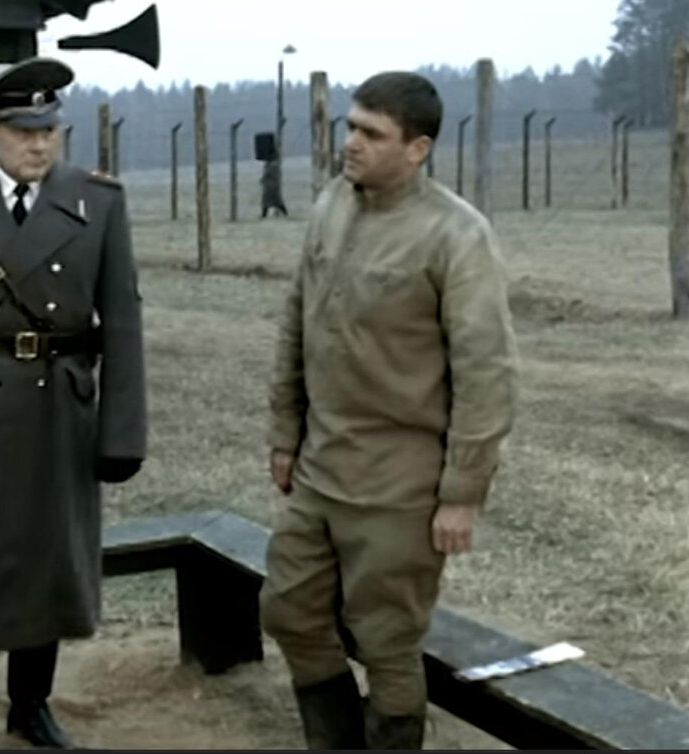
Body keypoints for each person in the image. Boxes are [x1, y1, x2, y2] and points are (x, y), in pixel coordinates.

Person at [261, 71, 518, 749]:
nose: (351, 143)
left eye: (371, 134)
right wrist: (285, 434)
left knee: (386, 640)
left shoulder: (456, 235)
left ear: (417, 148)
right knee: (288, 609)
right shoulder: (331, 205)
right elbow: (296, 322)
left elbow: (486, 373)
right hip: (321, 467)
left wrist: (461, 494)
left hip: (399, 486)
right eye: (350, 126)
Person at [0, 57, 148, 749]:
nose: (39, 144)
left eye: (49, 130)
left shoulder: (97, 202)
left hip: (58, 405)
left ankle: (30, 703)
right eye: (23, 131)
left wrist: (122, 433)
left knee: (47, 556)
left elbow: (123, 319)